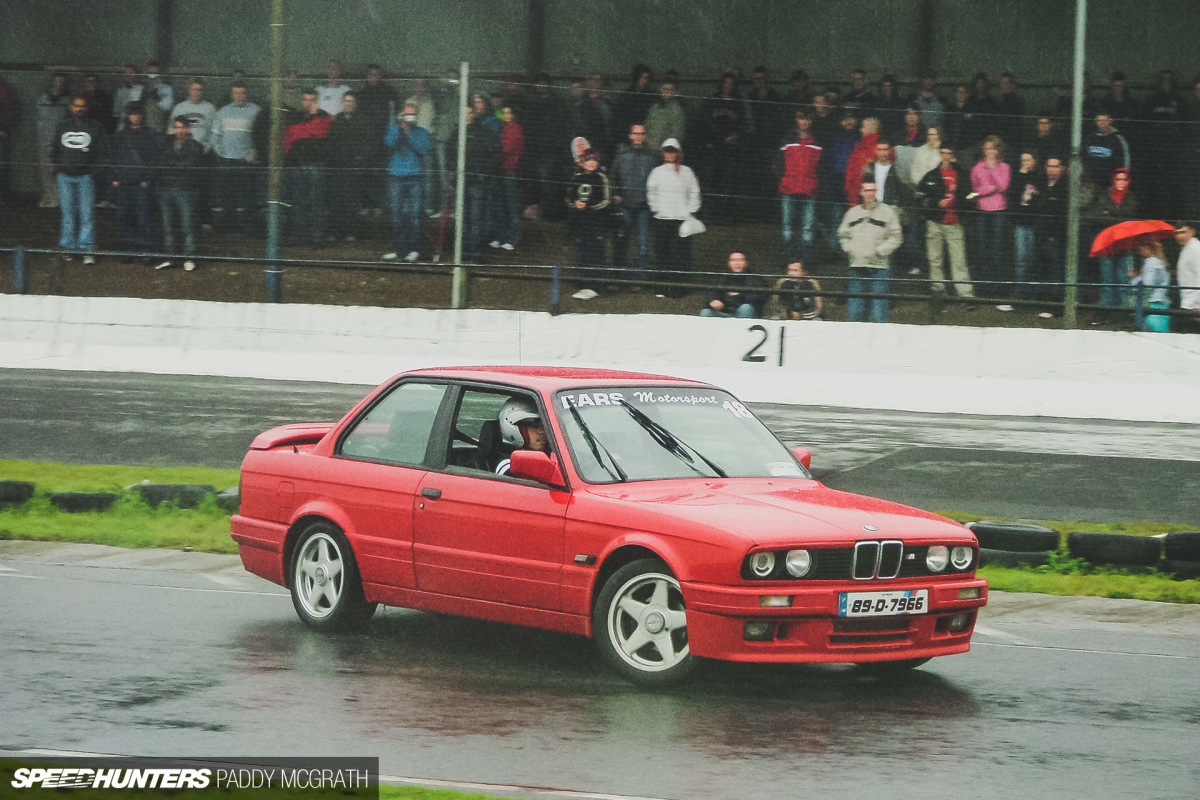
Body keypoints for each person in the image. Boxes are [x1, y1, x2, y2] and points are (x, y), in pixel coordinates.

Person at [52, 95, 108, 264]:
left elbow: (103, 152)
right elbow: (54, 150)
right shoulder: (62, 127)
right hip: (65, 178)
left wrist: (93, 171)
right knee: (68, 214)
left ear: (87, 108)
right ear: (71, 107)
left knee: (87, 215)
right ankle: (69, 249)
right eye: (76, 105)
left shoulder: (95, 127)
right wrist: (59, 168)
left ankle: (86, 250)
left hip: (85, 178)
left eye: (83, 106)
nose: (79, 108)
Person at [838, 179, 902, 323]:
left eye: (873, 190)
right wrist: (851, 250)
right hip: (856, 267)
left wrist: (880, 251)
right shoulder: (852, 213)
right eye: (867, 190)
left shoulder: (887, 212)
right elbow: (843, 235)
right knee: (855, 312)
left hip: (879, 268)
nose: (870, 194)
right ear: (861, 192)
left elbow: (896, 236)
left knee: (879, 312)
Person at [916, 145, 975, 302]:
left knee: (959, 260)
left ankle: (965, 295)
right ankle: (938, 291)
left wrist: (961, 207)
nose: (946, 156)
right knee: (935, 259)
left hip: (954, 223)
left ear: (953, 155)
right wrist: (936, 203)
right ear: (939, 154)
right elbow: (920, 198)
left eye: (949, 153)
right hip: (935, 223)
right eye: (943, 153)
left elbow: (970, 197)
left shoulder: (961, 175)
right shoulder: (931, 176)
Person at [647, 138, 701, 298]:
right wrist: (656, 208)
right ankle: (661, 287)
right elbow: (651, 192)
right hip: (662, 218)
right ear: (663, 153)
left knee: (681, 254)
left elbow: (694, 191)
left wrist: (690, 210)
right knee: (662, 253)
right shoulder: (656, 172)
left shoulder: (687, 171)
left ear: (678, 153)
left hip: (681, 219)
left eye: (673, 151)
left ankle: (679, 287)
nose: (670, 154)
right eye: (667, 151)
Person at [379, 101, 431, 262]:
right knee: (396, 215)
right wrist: (401, 126)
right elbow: (388, 142)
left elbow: (422, 148)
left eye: (412, 114)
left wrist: (409, 132)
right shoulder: (396, 129)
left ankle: (415, 249)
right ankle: (400, 250)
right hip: (396, 175)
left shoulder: (422, 132)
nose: (409, 116)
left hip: (415, 176)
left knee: (414, 215)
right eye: (406, 113)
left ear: (416, 115)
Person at [111, 102, 161, 261]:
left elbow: (155, 159)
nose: (135, 116)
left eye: (138, 113)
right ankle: (128, 250)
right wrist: (115, 178)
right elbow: (113, 158)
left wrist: (148, 178)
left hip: (141, 184)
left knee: (143, 217)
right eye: (132, 113)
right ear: (128, 115)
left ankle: (145, 250)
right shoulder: (120, 136)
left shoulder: (149, 134)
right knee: (125, 217)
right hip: (124, 183)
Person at [282, 89, 332, 247]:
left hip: (315, 164)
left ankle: (316, 237)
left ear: (316, 101)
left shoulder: (324, 116)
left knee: (316, 201)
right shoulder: (294, 116)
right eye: (305, 99)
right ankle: (299, 236)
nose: (308, 103)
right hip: (297, 164)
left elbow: (319, 132)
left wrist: (315, 116)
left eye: (312, 100)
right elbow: (288, 140)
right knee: (297, 202)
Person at [155, 116, 205, 271]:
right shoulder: (166, 143)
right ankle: (170, 258)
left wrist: (172, 165)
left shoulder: (195, 146)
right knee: (168, 226)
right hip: (166, 189)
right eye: (176, 127)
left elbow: (188, 166)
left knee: (186, 226)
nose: (179, 130)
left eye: (182, 127)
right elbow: (160, 163)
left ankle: (189, 257)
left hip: (185, 190)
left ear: (188, 128)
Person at [210, 82, 260, 233]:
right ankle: (227, 228)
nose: (239, 96)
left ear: (247, 94)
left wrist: (253, 154)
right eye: (236, 93)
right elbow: (215, 135)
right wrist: (221, 152)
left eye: (242, 93)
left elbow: (262, 136)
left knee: (246, 197)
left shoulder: (256, 111)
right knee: (227, 196)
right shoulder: (223, 112)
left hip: (245, 161)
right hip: (226, 161)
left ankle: (246, 228)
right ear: (232, 95)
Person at [610, 122, 658, 280]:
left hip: (644, 207)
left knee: (643, 244)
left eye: (641, 134)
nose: (638, 137)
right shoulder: (621, 155)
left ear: (645, 136)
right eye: (635, 133)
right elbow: (613, 177)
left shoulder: (653, 156)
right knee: (621, 241)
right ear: (630, 135)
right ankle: (619, 276)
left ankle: (640, 277)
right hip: (625, 206)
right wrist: (616, 193)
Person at [565, 148, 612, 298]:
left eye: (594, 160)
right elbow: (568, 197)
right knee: (581, 251)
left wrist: (589, 205)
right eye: (588, 160)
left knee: (595, 252)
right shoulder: (576, 178)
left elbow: (606, 200)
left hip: (596, 223)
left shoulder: (602, 178)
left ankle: (594, 285)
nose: (591, 163)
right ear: (582, 162)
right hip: (579, 222)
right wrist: (575, 203)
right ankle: (583, 280)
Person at [777, 109, 821, 265]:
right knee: (787, 224)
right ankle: (786, 258)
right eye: (801, 118)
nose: (804, 122)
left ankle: (806, 259)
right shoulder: (786, 140)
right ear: (796, 120)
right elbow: (778, 163)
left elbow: (821, 166)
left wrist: (815, 182)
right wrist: (783, 179)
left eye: (808, 119)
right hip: (788, 188)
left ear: (811, 121)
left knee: (808, 225)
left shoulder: (817, 142)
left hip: (809, 189)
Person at [1090, 168, 1139, 308]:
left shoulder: (1131, 198)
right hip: (1107, 244)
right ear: (1113, 180)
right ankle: (1106, 309)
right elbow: (1098, 217)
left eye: (1124, 179)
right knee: (1107, 280)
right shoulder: (1104, 196)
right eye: (1118, 179)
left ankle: (1124, 310)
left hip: (1125, 245)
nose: (1121, 182)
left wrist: (1109, 212)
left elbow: (1128, 215)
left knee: (1124, 280)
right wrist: (1118, 218)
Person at [327, 92, 373, 242]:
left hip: (353, 166)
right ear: (342, 102)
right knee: (336, 199)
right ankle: (334, 232)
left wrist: (359, 158)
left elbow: (367, 142)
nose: (348, 104)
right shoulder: (336, 120)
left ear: (355, 104)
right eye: (346, 101)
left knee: (351, 199)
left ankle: (350, 232)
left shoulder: (363, 121)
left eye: (351, 101)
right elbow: (331, 141)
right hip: (337, 166)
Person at [970, 135, 1011, 298]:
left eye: (993, 148)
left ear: (998, 150)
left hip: (998, 211)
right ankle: (983, 290)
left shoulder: (1005, 167)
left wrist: (993, 170)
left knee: (996, 250)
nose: (990, 151)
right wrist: (989, 189)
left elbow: (1002, 186)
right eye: (987, 148)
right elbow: (974, 190)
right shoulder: (977, 168)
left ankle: (998, 290)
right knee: (982, 250)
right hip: (982, 211)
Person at [1006, 151, 1042, 302]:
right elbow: (1011, 196)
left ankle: (1032, 294)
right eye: (1022, 160)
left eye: (1028, 160)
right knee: (1021, 258)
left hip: (1034, 223)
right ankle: (1020, 293)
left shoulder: (1039, 178)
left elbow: (1041, 199)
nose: (1025, 162)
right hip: (1020, 223)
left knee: (1032, 259)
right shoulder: (1016, 177)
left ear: (1034, 161)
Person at [36, 72, 71, 208]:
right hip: (45, 141)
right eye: (57, 81)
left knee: (58, 171)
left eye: (61, 82)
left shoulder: (66, 101)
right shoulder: (43, 98)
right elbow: (39, 119)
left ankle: (59, 199)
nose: (59, 84)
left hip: (60, 144)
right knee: (45, 173)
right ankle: (48, 199)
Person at [494, 397, 550, 476]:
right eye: (535, 426)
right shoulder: (506, 464)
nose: (542, 431)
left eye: (545, 426)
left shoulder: (553, 454)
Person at [700, 252, 766, 318]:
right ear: (728, 263)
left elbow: (758, 299)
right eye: (733, 260)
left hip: (746, 314)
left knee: (745, 308)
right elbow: (711, 295)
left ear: (746, 263)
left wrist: (738, 296)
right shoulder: (722, 278)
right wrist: (713, 301)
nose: (737, 263)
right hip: (725, 314)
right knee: (705, 312)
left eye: (740, 260)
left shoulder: (755, 278)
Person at [497, 105, 524, 250]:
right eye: (504, 113)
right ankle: (502, 236)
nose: (506, 115)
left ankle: (513, 238)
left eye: (509, 113)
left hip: (510, 170)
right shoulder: (503, 128)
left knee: (512, 205)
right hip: (502, 171)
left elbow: (506, 149)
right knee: (502, 206)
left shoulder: (515, 129)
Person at [1130, 239, 1170, 332]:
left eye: (1140, 249)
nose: (1138, 252)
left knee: (1154, 333)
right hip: (1160, 302)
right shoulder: (1159, 262)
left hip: (1154, 303)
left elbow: (1148, 284)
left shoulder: (1151, 262)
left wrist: (1135, 279)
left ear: (1147, 248)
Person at [1174, 221, 1200, 328]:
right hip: (1188, 304)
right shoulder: (1187, 249)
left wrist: (1198, 306)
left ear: (1192, 232)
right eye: (1177, 233)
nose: (1180, 236)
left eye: (1183, 232)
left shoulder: (1196, 249)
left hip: (1193, 307)